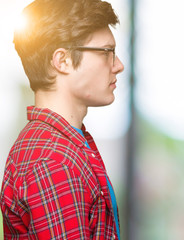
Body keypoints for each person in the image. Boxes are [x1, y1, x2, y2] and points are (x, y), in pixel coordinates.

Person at [0, 0, 124, 239]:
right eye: (107, 52)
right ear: (62, 60)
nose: (118, 65)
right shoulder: (53, 160)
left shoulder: (65, 145)